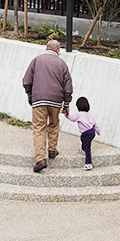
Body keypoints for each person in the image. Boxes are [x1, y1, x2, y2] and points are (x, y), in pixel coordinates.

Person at [22, 39, 73, 173]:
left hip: (39, 99)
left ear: (46, 49)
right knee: (54, 124)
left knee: (39, 128)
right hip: (56, 100)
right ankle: (52, 150)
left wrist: (30, 96)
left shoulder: (36, 60)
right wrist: (66, 103)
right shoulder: (62, 64)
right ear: (58, 50)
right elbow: (68, 85)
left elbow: (27, 81)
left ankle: (40, 159)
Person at [64, 96, 101, 170]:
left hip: (86, 133)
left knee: (87, 148)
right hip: (92, 131)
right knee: (83, 139)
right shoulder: (90, 114)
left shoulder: (79, 114)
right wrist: (98, 131)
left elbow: (73, 118)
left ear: (78, 107)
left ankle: (88, 163)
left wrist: (67, 115)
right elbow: (95, 124)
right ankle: (83, 150)